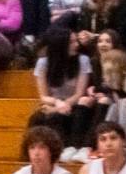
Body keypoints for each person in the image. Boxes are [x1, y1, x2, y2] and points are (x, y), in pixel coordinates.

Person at [31, 26, 93, 159]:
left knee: (80, 107)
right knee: (41, 116)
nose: (77, 45)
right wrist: (57, 103)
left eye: (76, 41)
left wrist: (63, 105)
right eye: (72, 42)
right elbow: (43, 96)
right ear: (60, 44)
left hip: (74, 102)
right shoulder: (43, 63)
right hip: (54, 102)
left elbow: (79, 93)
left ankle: (74, 147)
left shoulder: (83, 60)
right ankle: (55, 150)